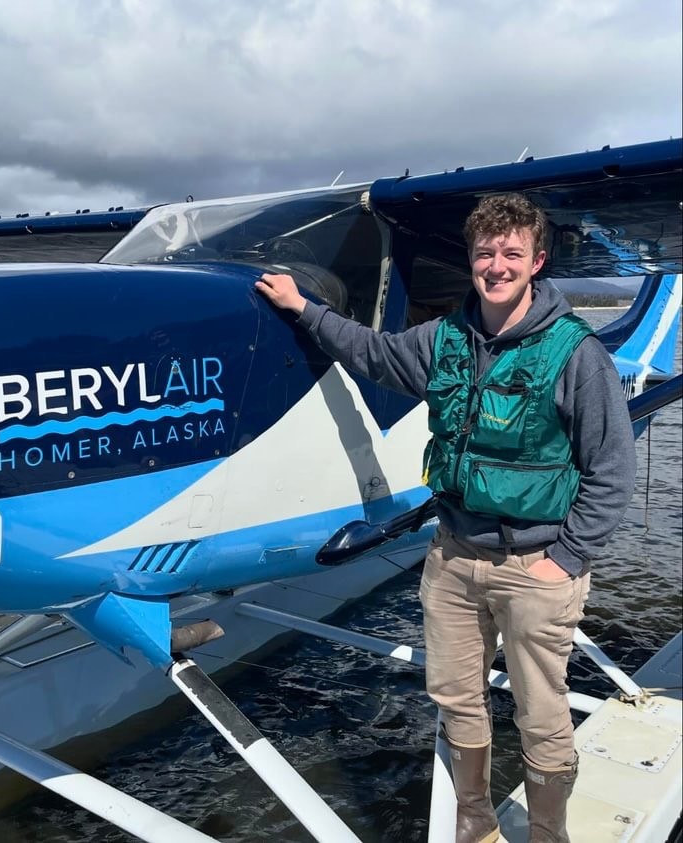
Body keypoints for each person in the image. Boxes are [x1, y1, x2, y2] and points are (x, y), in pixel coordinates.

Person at [255, 193, 636, 843]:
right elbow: (375, 354)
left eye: (512, 253)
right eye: (485, 252)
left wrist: (564, 559)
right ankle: (475, 825)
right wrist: (305, 310)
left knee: (542, 718)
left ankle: (548, 835)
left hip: (535, 564)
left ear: (538, 261)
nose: (497, 265)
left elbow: (612, 469)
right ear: (471, 259)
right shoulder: (446, 337)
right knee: (457, 701)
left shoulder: (576, 353)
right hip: (454, 555)